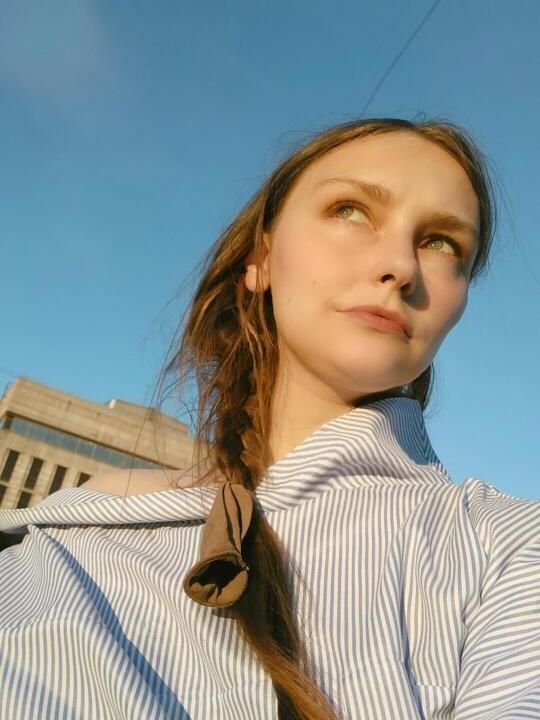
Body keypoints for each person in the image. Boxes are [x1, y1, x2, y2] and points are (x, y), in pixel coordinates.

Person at [1, 116, 539, 720]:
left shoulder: (508, 547)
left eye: (443, 243)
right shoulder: (79, 524)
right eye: (349, 210)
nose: (401, 266)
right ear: (260, 259)